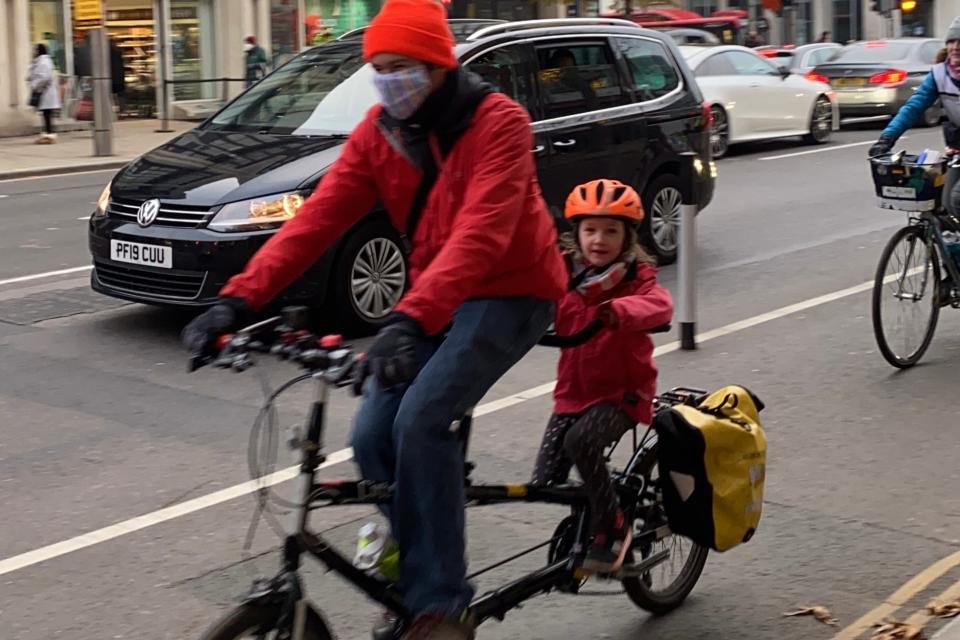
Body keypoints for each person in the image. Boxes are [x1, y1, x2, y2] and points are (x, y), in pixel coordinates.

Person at [181, 0, 567, 637]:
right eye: (378, 68)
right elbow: (314, 221)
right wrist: (236, 301)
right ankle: (414, 563)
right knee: (369, 437)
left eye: (402, 66)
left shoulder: (499, 122)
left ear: (438, 65)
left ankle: (441, 603)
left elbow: (482, 234)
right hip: (433, 300)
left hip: (511, 293)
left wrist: (408, 321)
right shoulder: (378, 132)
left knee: (420, 423)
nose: (389, 80)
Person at [531, 179, 673, 574]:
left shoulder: (635, 276)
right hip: (573, 393)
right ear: (576, 233)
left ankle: (613, 526)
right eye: (590, 229)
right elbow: (531, 290)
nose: (599, 239)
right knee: (545, 480)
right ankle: (607, 494)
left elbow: (659, 306)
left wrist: (621, 311)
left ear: (627, 237)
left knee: (580, 442)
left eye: (611, 231)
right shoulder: (564, 274)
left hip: (622, 394)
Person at [869, 16, 960, 305]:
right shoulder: (940, 74)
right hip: (957, 152)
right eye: (952, 41)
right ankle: (953, 274)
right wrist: (887, 138)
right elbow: (913, 106)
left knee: (957, 200)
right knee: (942, 206)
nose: (956, 47)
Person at [27, 43, 61, 145]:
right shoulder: (40, 61)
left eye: (35, 50)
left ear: (39, 51)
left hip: (45, 91)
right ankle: (47, 134)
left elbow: (44, 77)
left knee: (47, 114)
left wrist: (35, 85)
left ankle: (49, 135)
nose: (33, 52)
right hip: (44, 92)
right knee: (46, 114)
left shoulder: (43, 62)